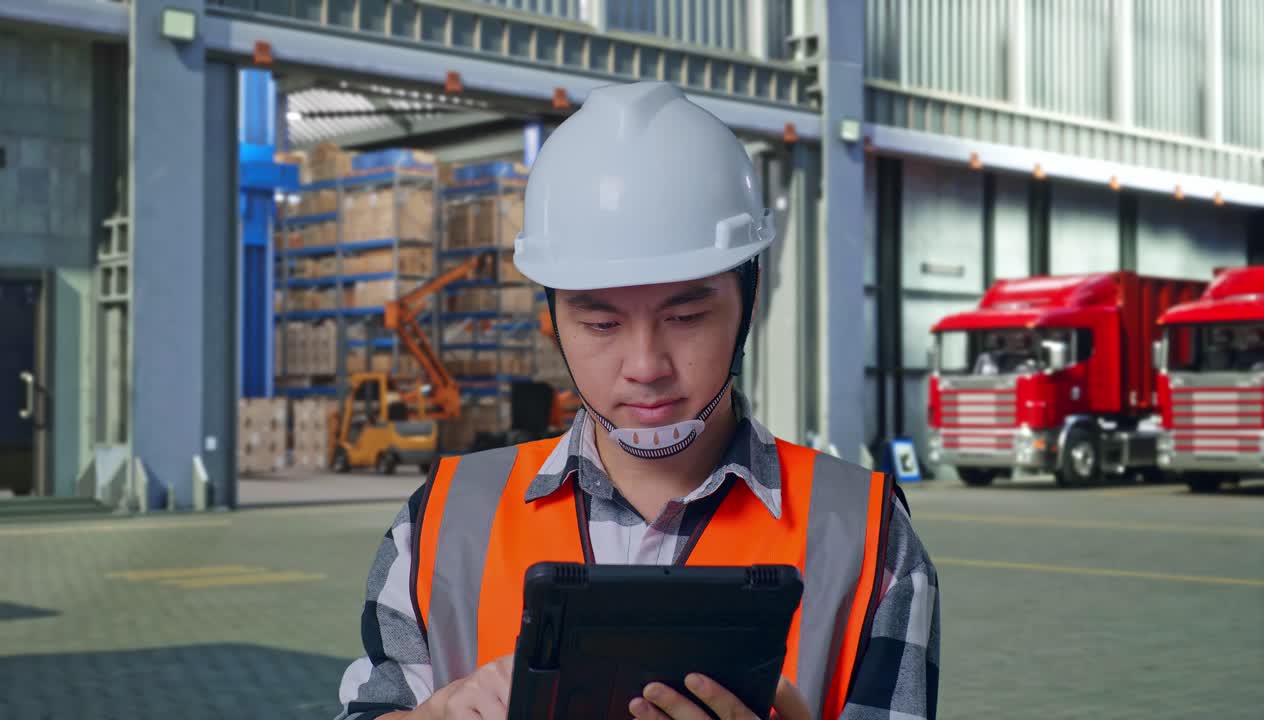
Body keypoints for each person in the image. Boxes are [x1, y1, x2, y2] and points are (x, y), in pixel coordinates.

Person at [334, 81, 939, 720]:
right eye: (601, 325)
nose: (646, 368)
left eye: (687, 317)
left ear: (749, 303)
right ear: (555, 319)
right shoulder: (445, 519)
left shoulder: (867, 539)